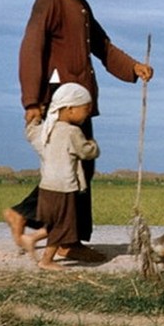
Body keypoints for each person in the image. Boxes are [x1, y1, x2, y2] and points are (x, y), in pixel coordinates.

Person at [3, 0, 154, 261]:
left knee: (77, 165)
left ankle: (33, 219)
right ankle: (65, 239)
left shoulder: (80, 3)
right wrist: (32, 99)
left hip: (78, 100)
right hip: (61, 99)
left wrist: (134, 67)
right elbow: (32, 47)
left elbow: (102, 46)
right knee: (76, 164)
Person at [20, 83, 99, 270]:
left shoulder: (46, 130)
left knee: (55, 222)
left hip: (46, 187)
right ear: (70, 109)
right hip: (64, 187)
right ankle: (46, 260)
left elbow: (31, 135)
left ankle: (31, 238)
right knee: (63, 226)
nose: (87, 113)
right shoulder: (72, 132)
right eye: (85, 109)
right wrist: (93, 145)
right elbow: (86, 152)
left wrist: (34, 120)